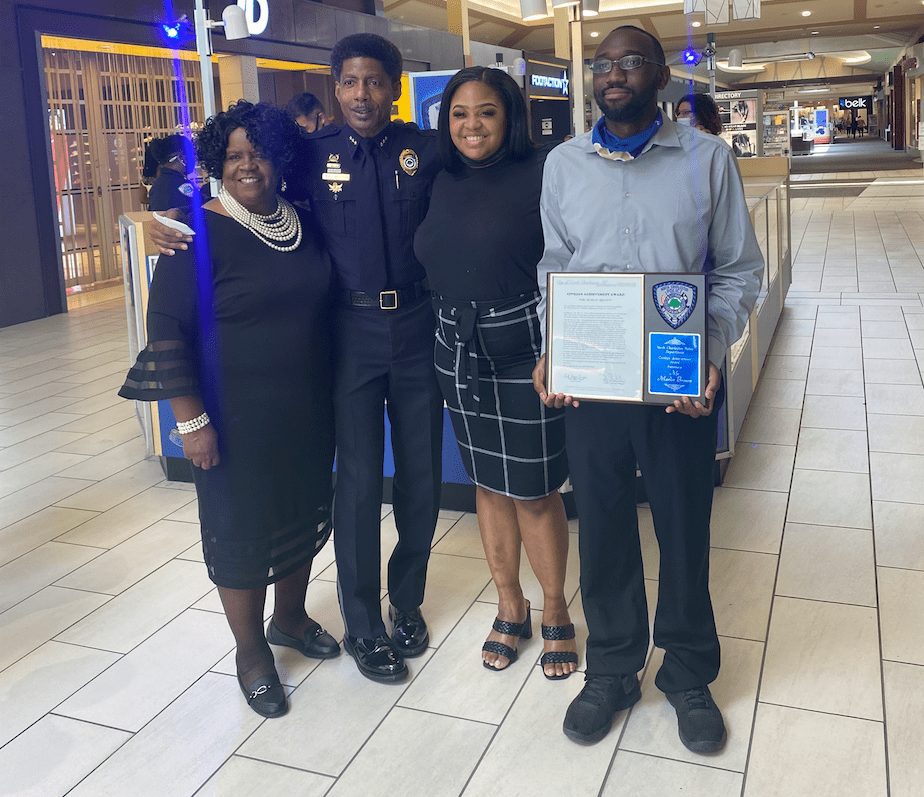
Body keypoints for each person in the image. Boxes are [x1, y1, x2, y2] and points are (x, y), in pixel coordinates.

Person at [151, 34, 444, 684]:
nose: (361, 94)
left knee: (420, 478)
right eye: (349, 82)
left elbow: (489, 175)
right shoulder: (314, 156)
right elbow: (237, 185)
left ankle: (409, 601)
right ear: (336, 88)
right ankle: (364, 624)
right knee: (361, 482)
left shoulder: (425, 150)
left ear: (395, 88)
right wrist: (146, 216)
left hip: (418, 326)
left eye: (373, 82)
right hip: (350, 333)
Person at [532, 26, 763, 752]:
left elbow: (737, 270)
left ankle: (689, 672)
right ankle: (613, 667)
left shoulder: (708, 160)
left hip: (678, 384)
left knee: (684, 526)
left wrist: (710, 350)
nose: (614, 74)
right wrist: (552, 348)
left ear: (662, 74)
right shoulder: (564, 165)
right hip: (592, 383)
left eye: (630, 61)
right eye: (602, 64)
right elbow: (553, 266)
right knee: (599, 526)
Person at [120, 101, 339, 719]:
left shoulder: (303, 221)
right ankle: (250, 654)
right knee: (242, 531)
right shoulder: (194, 229)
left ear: (280, 160)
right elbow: (165, 328)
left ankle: (290, 620)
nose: (249, 166)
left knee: (299, 512)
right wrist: (191, 423)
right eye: (235, 155)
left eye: (260, 153)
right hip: (231, 415)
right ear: (218, 163)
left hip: (305, 407)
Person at [414, 66, 577, 680]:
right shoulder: (437, 175)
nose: (471, 125)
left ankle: (557, 609)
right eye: (459, 113)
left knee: (534, 489)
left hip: (526, 350)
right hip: (456, 347)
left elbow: (571, 260)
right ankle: (511, 605)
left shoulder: (544, 173)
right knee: (487, 484)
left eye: (485, 111)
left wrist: (559, 347)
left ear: (509, 116)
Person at [143, 134, 201, 212]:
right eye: (191, 154)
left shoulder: (161, 183)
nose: (194, 159)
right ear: (180, 157)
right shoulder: (178, 184)